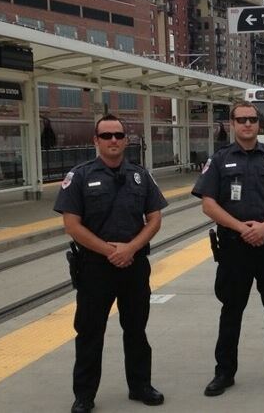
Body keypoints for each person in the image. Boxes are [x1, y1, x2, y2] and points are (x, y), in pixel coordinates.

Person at [191, 101, 264, 397]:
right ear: (232, 124)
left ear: (259, 124)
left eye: (252, 120)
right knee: (231, 310)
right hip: (235, 248)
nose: (247, 124)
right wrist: (242, 228)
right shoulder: (219, 161)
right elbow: (208, 204)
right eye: (241, 119)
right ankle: (224, 372)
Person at [54, 115, 168, 413]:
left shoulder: (140, 176)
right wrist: (109, 251)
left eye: (118, 135)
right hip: (94, 268)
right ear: (96, 141)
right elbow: (72, 225)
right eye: (106, 136)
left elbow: (155, 218)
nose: (114, 140)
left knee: (136, 329)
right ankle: (85, 395)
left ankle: (140, 386)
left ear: (126, 139)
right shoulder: (78, 176)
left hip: (134, 264)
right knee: (90, 332)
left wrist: (130, 248)